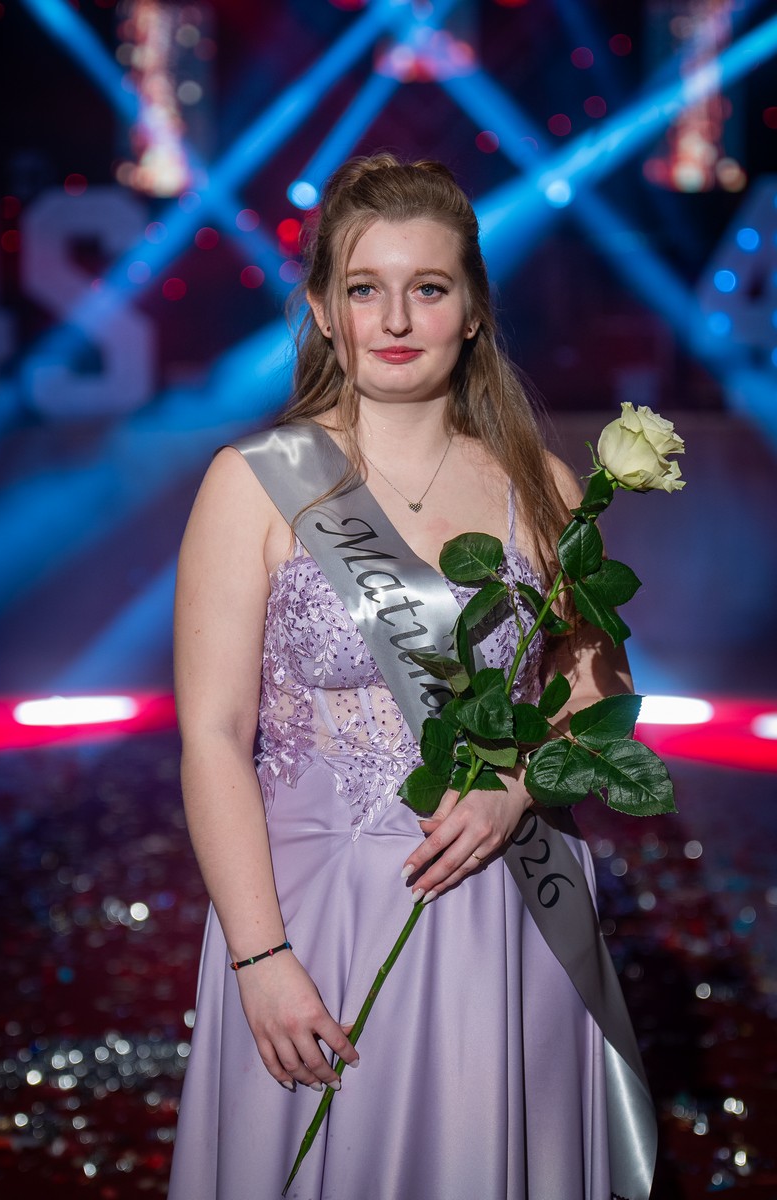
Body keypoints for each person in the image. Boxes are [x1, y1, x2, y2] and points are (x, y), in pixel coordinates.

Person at [168, 155, 639, 1200]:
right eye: (362, 289)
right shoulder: (256, 484)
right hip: (313, 920)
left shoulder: (541, 486)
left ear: (471, 311)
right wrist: (260, 960)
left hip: (506, 906)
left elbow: (599, 697)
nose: (394, 319)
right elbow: (212, 736)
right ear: (321, 311)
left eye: (427, 288)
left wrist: (517, 786)